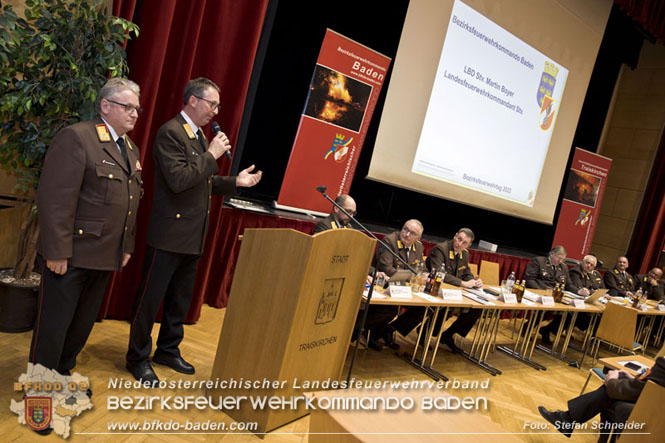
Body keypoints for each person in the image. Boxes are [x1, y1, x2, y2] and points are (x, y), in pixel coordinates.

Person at [126, 78, 262, 384]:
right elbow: (178, 179)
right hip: (168, 234)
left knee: (179, 300)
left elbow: (203, 181)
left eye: (217, 105)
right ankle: (137, 356)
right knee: (150, 300)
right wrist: (212, 154)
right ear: (192, 100)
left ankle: (167, 350)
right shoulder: (170, 132)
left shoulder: (198, 136)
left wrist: (235, 182)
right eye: (212, 104)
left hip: (192, 235)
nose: (215, 111)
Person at [31, 78, 143, 379]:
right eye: (127, 107)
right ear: (105, 106)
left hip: (105, 255)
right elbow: (55, 199)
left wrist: (126, 246)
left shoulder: (130, 149)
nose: (134, 113)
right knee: (53, 327)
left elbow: (130, 202)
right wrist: (55, 251)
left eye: (137, 108)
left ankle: (63, 373)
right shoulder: (78, 137)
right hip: (71, 255)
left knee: (81, 324)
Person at [312, 194, 393, 351]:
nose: (351, 216)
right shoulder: (324, 226)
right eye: (348, 211)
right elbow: (327, 258)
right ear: (336, 208)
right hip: (325, 282)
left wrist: (372, 272)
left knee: (382, 309)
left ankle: (349, 335)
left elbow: (355, 257)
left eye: (354, 213)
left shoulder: (348, 229)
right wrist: (360, 275)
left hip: (345, 280)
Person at [538, 356, 665, 441]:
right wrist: (635, 380)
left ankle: (568, 419)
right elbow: (648, 388)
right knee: (620, 383)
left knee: (612, 392)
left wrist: (611, 381)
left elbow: (635, 391)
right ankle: (567, 419)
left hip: (654, 417)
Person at [424, 228, 483, 353]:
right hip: (434, 289)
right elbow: (440, 273)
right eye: (459, 239)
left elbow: (466, 272)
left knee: (477, 309)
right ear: (455, 236)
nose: (459, 244)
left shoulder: (464, 253)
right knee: (445, 307)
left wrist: (474, 282)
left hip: (453, 291)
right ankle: (425, 332)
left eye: (464, 243)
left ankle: (448, 335)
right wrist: (464, 283)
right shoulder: (441, 249)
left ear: (469, 245)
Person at [374, 220, 425, 349]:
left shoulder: (418, 247)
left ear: (418, 238)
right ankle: (372, 333)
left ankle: (390, 329)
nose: (406, 234)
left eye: (412, 233)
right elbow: (386, 268)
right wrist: (412, 277)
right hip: (384, 284)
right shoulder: (389, 241)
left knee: (422, 308)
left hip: (405, 287)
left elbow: (420, 269)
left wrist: (423, 276)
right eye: (405, 229)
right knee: (390, 309)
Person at [523, 246, 570, 345]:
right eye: (559, 258)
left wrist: (579, 291)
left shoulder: (563, 267)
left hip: (556, 295)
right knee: (544, 309)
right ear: (552, 254)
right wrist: (541, 293)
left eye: (563, 259)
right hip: (540, 293)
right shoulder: (539, 261)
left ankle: (547, 329)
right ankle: (527, 327)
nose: (561, 261)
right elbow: (529, 279)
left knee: (568, 312)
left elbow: (568, 284)